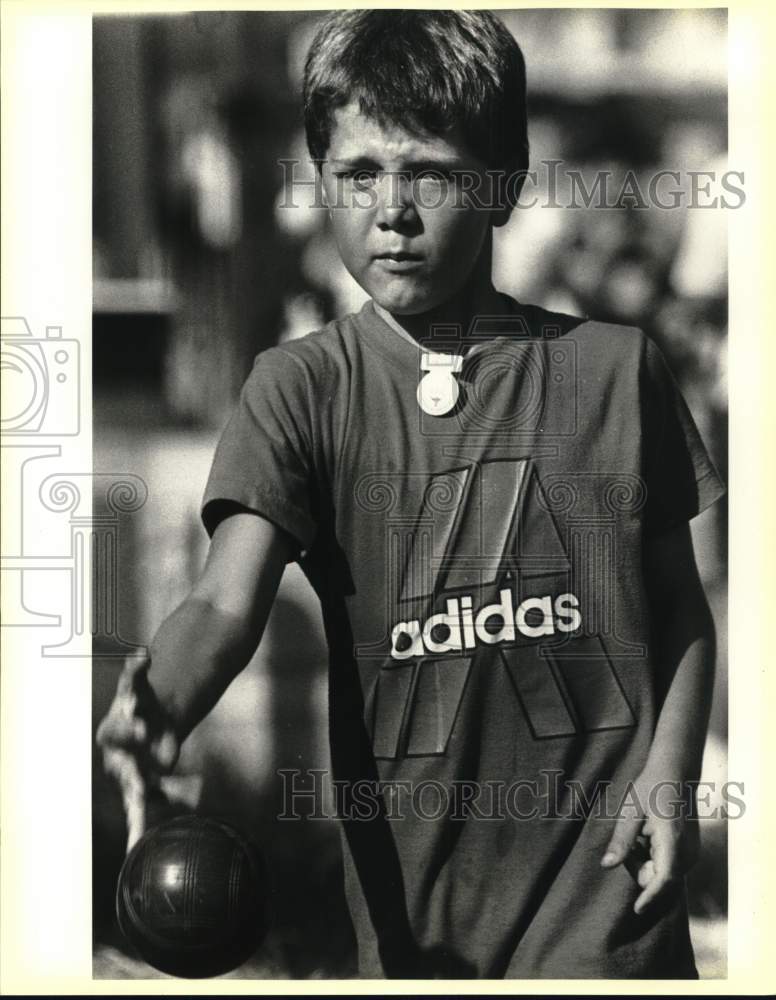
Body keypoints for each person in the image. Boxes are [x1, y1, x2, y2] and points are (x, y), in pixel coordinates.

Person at [97, 10, 725, 979]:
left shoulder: (615, 372)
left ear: (503, 183)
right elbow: (224, 602)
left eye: (428, 172)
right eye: (356, 175)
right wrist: (158, 704)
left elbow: (680, 607)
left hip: (605, 909)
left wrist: (670, 777)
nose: (390, 210)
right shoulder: (299, 389)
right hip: (418, 930)